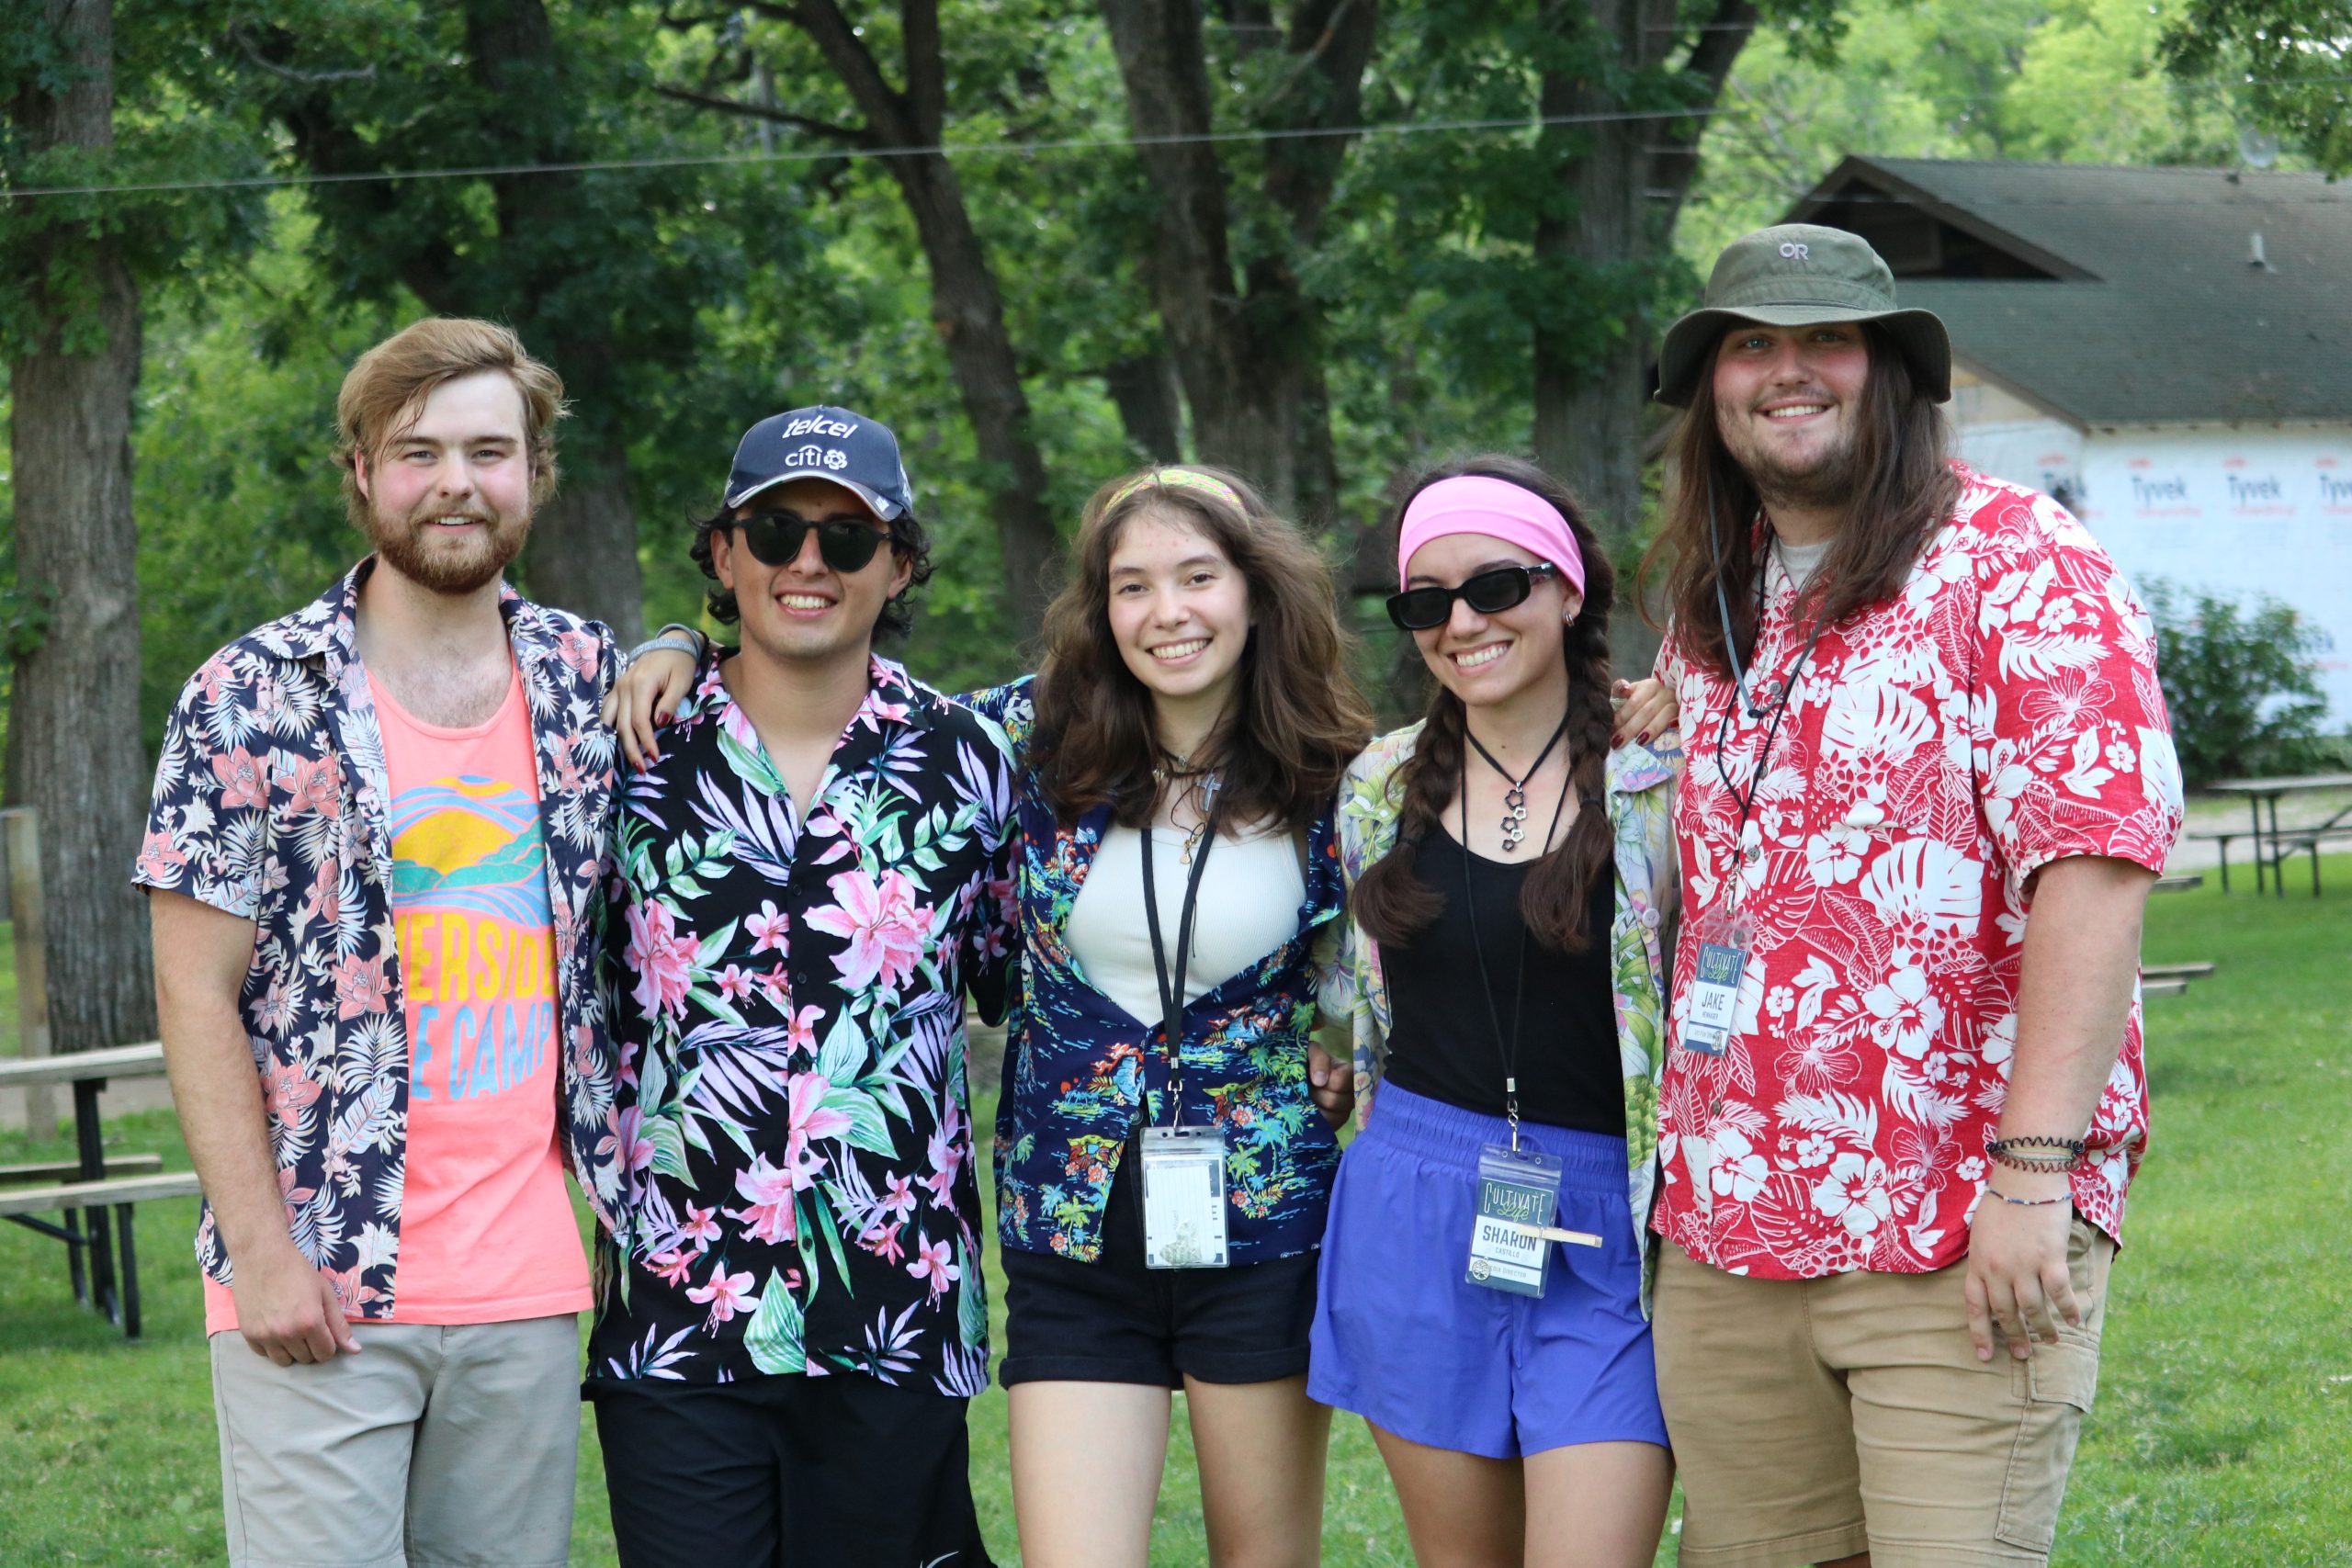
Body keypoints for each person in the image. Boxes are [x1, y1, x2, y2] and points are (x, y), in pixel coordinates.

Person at [1639, 223, 2186, 1568]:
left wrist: (2034, 1173)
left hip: (1954, 1218)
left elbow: (2094, 865)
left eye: (1826, 339)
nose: (1786, 371)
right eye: (1749, 345)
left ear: (1892, 372)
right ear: (1711, 388)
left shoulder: (2022, 560)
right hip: (1727, 1226)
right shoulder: (1712, 601)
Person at [136, 317, 623, 1568]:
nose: (457, 482)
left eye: (488, 451)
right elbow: (193, 991)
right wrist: (262, 1256)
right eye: (419, 452)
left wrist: (681, 641)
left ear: (534, 473)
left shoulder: (588, 680)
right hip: (320, 1276)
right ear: (361, 472)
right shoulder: (248, 693)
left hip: (525, 1284)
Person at [583, 405, 1017, 1568]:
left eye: (848, 537)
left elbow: (1010, 975)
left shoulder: (971, 762)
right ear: (724, 556)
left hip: (894, 1308)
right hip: (679, 1311)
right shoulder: (624, 754)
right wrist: (666, 644)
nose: (808, 563)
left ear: (900, 565)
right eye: (775, 533)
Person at [1311, 456, 1681, 1568]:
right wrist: (1325, 1048)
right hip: (1415, 1209)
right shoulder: (1379, 785)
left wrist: (1694, 700)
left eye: (1496, 586)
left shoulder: (1661, 776)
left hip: (1608, 1223)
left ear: (1568, 590)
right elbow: (1344, 975)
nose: (1462, 622)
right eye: (1426, 603)